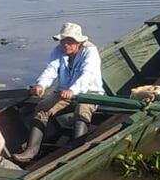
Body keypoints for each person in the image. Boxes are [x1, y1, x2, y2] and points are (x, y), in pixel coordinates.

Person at [16, 22, 103, 164]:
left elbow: (87, 75)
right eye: (63, 41)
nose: (65, 45)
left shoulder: (90, 52)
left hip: (89, 92)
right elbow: (51, 69)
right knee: (42, 108)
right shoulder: (58, 51)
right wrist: (41, 84)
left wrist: (73, 90)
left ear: (78, 42)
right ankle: (31, 151)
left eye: (69, 42)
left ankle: (76, 152)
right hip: (64, 93)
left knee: (81, 111)